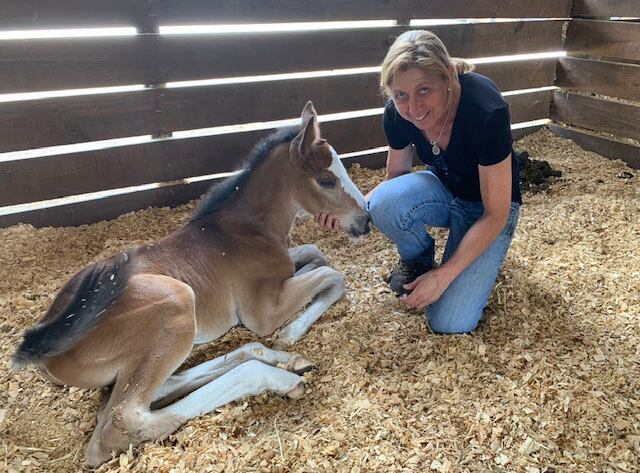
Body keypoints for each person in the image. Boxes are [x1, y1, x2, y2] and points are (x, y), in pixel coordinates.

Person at [316, 30, 521, 334]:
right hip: (442, 187)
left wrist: (446, 275)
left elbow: (496, 213)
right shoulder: (397, 114)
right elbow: (395, 179)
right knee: (384, 202)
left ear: (448, 76)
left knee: (449, 322)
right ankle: (418, 260)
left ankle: (470, 261)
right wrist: (352, 209)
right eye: (400, 95)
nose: (412, 108)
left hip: (487, 208)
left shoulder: (485, 110)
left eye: (424, 90)